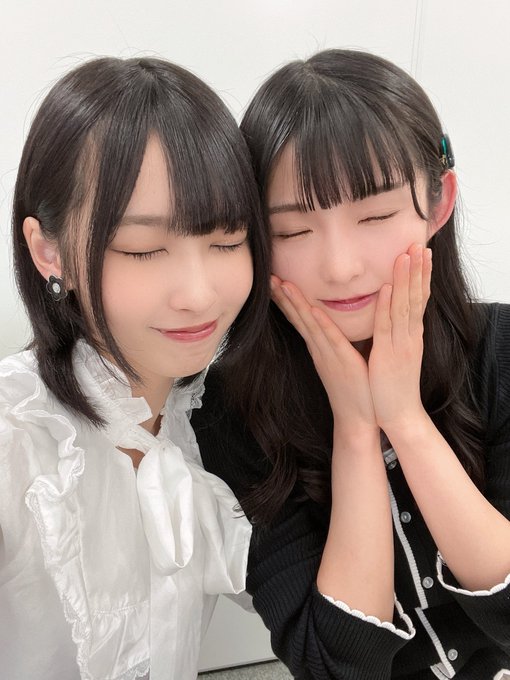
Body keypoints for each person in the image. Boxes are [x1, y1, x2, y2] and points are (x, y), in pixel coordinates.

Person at [192, 49, 510, 679]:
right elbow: (334, 668)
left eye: (376, 215)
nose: (340, 267)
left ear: (438, 203)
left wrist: (406, 421)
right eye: (292, 231)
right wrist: (357, 431)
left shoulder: (499, 349)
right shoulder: (227, 415)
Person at [0, 56, 269, 680]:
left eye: (227, 241)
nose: (198, 294)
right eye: (143, 249)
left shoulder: (212, 425)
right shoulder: (18, 443)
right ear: (49, 251)